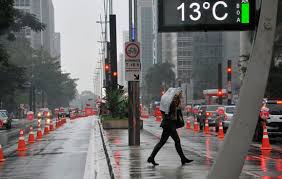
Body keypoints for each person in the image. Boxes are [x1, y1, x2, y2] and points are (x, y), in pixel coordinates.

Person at [147, 88, 193, 166]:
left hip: (168, 124)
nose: (182, 94)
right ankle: (182, 159)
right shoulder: (173, 102)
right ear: (177, 94)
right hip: (169, 124)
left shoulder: (172, 102)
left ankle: (182, 158)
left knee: (166, 141)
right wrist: (177, 108)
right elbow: (173, 114)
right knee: (174, 141)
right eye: (181, 93)